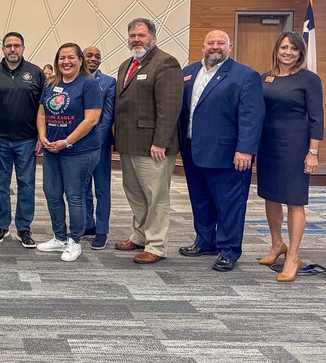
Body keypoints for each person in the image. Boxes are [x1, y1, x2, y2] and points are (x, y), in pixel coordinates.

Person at [178, 30, 265, 272]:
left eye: (221, 43)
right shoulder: (188, 72)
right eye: (211, 43)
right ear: (202, 47)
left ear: (230, 47)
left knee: (229, 205)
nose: (215, 47)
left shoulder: (245, 76)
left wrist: (245, 150)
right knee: (200, 200)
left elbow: (252, 116)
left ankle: (229, 250)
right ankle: (205, 241)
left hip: (228, 155)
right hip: (192, 150)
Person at [114, 18, 183, 264]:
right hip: (128, 143)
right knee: (135, 193)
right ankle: (140, 235)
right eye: (132, 35)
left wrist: (161, 142)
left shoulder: (165, 63)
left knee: (156, 196)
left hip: (153, 146)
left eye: (141, 35)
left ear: (153, 37)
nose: (136, 39)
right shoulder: (127, 64)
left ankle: (156, 245)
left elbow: (170, 108)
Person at [257, 31, 323, 282]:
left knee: (294, 201)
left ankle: (293, 256)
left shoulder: (309, 79)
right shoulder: (266, 77)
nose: (288, 52)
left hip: (295, 147)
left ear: (300, 53)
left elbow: (316, 117)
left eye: (293, 49)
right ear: (277, 49)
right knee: (270, 196)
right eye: (284, 47)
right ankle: (277, 245)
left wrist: (313, 152)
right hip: (268, 145)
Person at [36, 43, 102, 261]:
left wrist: (66, 141)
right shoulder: (51, 84)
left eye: (71, 57)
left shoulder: (89, 84)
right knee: (52, 194)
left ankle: (75, 241)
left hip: (79, 151)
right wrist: (43, 136)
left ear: (80, 60)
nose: (66, 62)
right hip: (52, 150)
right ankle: (59, 237)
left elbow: (91, 120)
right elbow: (43, 113)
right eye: (62, 58)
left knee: (75, 196)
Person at [0, 31, 45, 248]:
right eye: (8, 45)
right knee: (0, 186)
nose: (12, 49)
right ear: (2, 49)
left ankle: (24, 228)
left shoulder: (35, 73)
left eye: (17, 45)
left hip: (27, 140)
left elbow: (42, 109)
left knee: (26, 184)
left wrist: (40, 135)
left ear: (23, 49)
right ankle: (2, 226)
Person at [82, 45, 115, 250]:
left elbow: (108, 115)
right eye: (89, 55)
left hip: (100, 144)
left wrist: (95, 140)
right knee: (82, 187)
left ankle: (102, 230)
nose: (93, 59)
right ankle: (88, 224)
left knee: (102, 189)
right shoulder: (75, 80)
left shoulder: (109, 82)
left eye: (97, 56)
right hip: (77, 145)